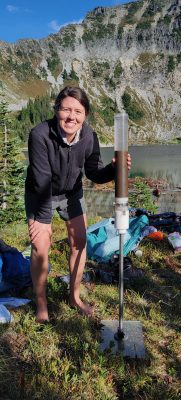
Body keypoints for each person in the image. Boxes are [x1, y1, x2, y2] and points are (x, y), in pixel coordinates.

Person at [25, 86, 131, 322]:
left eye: (78, 111)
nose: (71, 116)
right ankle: (41, 302)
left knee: (80, 242)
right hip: (40, 194)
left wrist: (114, 169)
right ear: (56, 110)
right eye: (66, 110)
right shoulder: (40, 134)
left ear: (85, 115)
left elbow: (94, 173)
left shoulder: (89, 136)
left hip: (71, 193)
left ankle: (74, 296)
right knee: (41, 245)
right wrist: (42, 222)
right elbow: (42, 181)